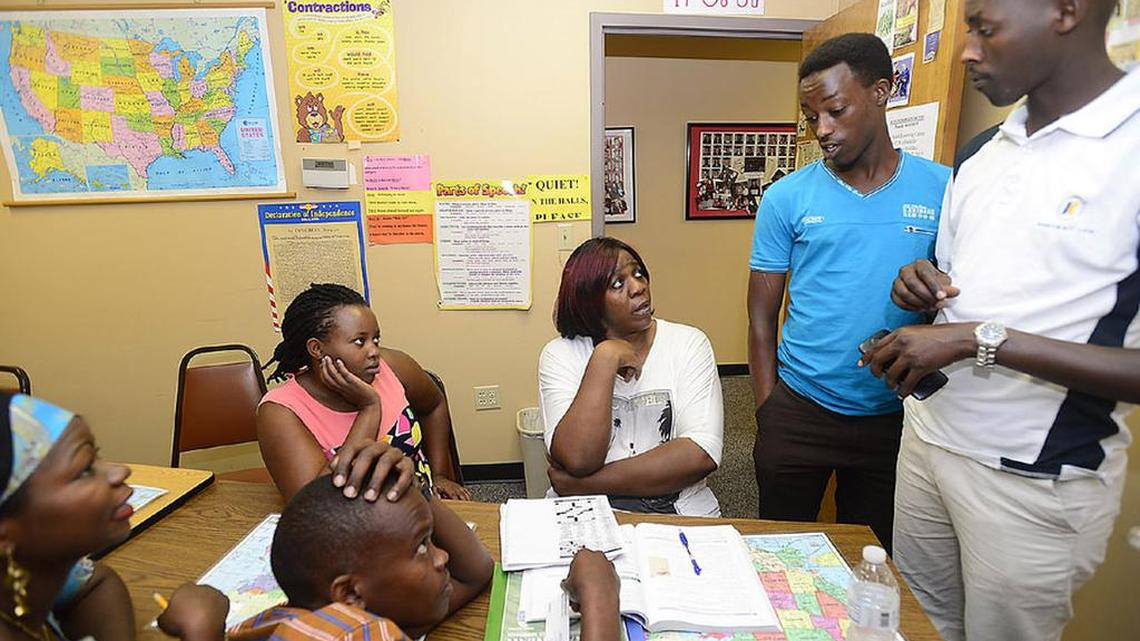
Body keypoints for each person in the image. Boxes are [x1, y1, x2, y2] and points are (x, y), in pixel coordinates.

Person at [861, 1, 1138, 639]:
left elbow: (981, 331)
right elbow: (960, 285)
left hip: (1033, 477)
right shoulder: (982, 152)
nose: (967, 51)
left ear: (1066, 12)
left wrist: (976, 340)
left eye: (985, 29)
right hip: (927, 440)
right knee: (918, 624)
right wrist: (920, 284)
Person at [747, 32, 951, 551]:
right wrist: (768, 409)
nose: (822, 129)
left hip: (896, 415)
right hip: (800, 408)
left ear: (882, 91)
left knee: (873, 559)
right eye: (811, 116)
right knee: (781, 551)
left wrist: (932, 293)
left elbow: (967, 299)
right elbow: (761, 315)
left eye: (835, 111)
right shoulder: (785, 198)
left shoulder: (944, 190)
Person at [0, 392, 228, 641]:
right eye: (85, 470)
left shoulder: (32, 574)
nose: (121, 471)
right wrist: (202, 633)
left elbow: (97, 581)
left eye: (97, 455)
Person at [539, 237, 724, 516]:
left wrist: (582, 485)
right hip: (585, 512)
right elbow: (578, 458)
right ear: (588, 299)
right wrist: (605, 358)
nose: (638, 287)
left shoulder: (688, 343)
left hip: (681, 509)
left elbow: (700, 455)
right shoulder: (561, 354)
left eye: (638, 273)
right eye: (617, 283)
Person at [258, 283, 471, 501]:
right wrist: (369, 408)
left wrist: (440, 475)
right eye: (360, 342)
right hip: (351, 519)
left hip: (420, 506)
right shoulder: (280, 412)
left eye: (375, 339)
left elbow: (434, 405)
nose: (374, 351)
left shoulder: (392, 366)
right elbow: (313, 504)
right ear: (317, 349)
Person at [228, 471, 493, 640]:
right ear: (350, 594)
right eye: (421, 547)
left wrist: (414, 486)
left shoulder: (393, 611)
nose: (443, 556)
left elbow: (476, 574)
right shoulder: (365, 632)